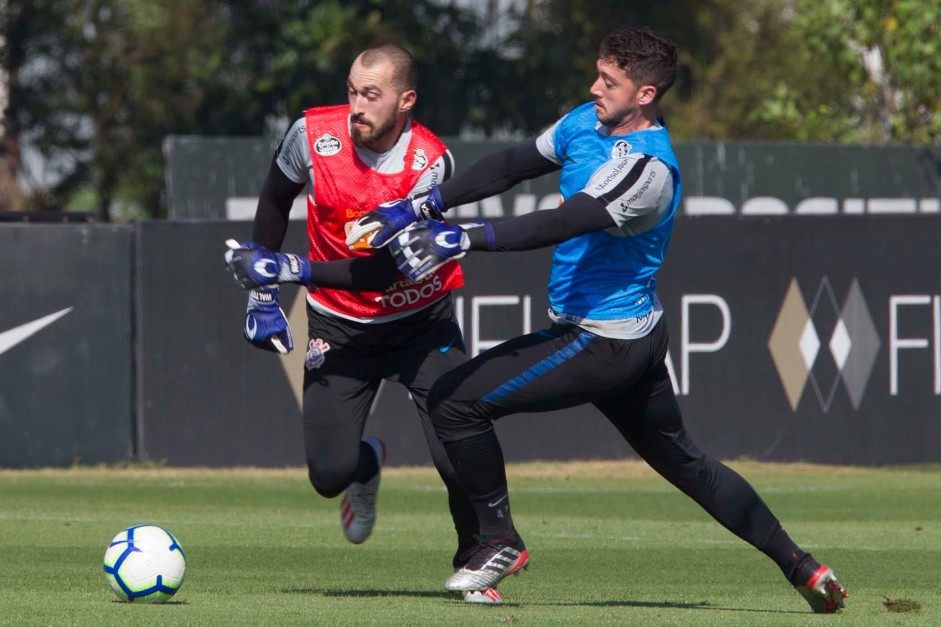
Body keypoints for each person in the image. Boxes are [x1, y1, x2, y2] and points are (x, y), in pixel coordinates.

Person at [349, 26, 849, 613]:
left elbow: (567, 220)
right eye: (598, 73)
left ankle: (499, 540)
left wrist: (460, 237)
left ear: (646, 94)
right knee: (689, 465)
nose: (594, 87)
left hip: (603, 340)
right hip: (625, 335)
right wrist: (422, 204)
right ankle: (805, 569)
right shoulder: (586, 121)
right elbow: (512, 164)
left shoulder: (647, 168)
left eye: (610, 81)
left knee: (455, 402)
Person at [223, 43, 502, 604]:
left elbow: (383, 269)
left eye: (371, 95)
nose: (356, 105)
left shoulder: (431, 164)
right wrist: (261, 292)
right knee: (329, 475)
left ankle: (476, 564)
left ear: (406, 100)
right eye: (352, 90)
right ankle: (365, 462)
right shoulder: (311, 134)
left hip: (422, 323)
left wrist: (293, 269)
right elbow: (275, 202)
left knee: (457, 457)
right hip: (338, 326)